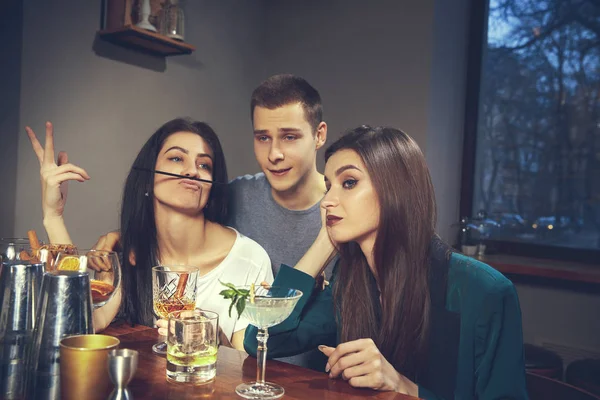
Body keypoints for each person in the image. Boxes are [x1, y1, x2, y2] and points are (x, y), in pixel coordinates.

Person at [244, 126, 529, 399]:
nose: (327, 201)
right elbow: (261, 339)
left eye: (349, 183)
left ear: (395, 190)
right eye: (328, 187)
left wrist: (401, 385)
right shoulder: (349, 278)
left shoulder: (485, 291)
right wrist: (323, 245)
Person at [94, 74, 334, 368]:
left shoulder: (344, 213)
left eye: (290, 137)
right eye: (263, 138)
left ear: (319, 135)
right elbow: (179, 211)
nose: (275, 154)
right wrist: (124, 236)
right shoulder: (236, 194)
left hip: (310, 375)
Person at [26, 118, 273, 350]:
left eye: (204, 164)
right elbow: (83, 321)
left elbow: (248, 370)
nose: (191, 171)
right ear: (147, 177)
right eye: (177, 159)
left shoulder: (249, 260)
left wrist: (214, 337)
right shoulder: (126, 253)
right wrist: (53, 216)